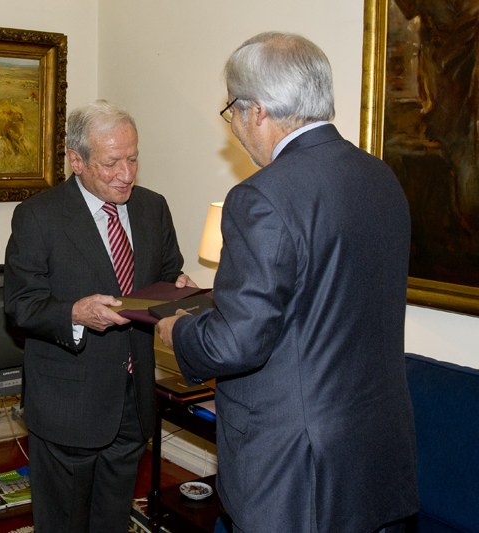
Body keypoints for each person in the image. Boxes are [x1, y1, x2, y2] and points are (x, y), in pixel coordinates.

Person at [157, 32, 419, 533]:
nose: (234, 127)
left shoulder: (262, 196)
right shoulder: (381, 177)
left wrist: (180, 331)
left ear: (257, 110)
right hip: (377, 455)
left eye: (232, 111)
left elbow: (238, 343)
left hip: (296, 470)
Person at [4, 100, 194, 532]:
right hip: (68, 404)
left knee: (111, 521)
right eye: (111, 163)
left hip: (133, 400)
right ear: (77, 161)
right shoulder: (38, 216)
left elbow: (167, 273)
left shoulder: (153, 207)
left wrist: (180, 288)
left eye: (133, 159)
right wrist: (75, 313)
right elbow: (21, 305)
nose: (126, 174)